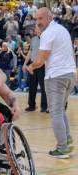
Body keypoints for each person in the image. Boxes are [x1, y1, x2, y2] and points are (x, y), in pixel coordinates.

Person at [26, 8, 76, 158]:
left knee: (55, 114)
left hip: (56, 77)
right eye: (36, 19)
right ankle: (66, 139)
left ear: (49, 17)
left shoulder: (48, 34)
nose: (38, 22)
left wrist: (30, 66)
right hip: (69, 75)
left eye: (40, 19)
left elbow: (40, 61)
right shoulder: (62, 30)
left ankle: (62, 148)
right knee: (60, 110)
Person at [23, 25, 47, 112]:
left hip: (42, 65)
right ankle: (31, 105)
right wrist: (25, 64)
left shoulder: (47, 39)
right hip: (33, 65)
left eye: (37, 29)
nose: (35, 30)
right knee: (32, 86)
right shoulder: (33, 39)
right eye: (35, 29)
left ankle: (44, 107)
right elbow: (30, 52)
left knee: (44, 87)